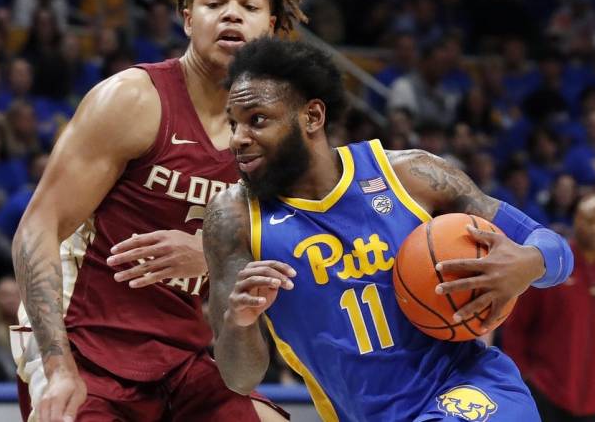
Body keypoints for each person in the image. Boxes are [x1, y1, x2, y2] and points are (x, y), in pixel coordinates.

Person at [204, 37, 574, 421]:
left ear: (312, 116)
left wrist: (528, 263)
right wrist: (240, 321)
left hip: (470, 387)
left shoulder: (408, 175)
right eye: (232, 123)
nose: (238, 139)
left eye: (257, 120)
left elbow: (556, 249)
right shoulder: (233, 218)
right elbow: (238, 377)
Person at [10, 0, 306, 421]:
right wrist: (57, 367)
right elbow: (37, 229)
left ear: (272, 25)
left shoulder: (275, 134)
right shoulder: (133, 99)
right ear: (188, 19)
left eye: (248, 5)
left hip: (180, 354)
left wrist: (210, 256)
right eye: (214, 3)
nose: (231, 14)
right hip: (80, 340)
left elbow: (289, 251)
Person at [504, 194, 595, 422]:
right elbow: (517, 326)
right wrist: (522, 378)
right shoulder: (551, 267)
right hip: (546, 394)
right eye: (589, 220)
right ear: (576, 220)